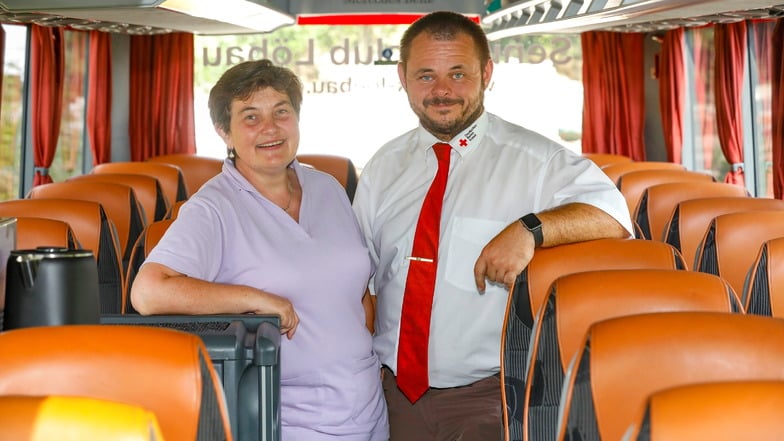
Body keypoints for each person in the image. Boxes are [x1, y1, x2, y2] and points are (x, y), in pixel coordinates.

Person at [352, 11, 633, 441]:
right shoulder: (382, 167)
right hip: (391, 395)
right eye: (425, 76)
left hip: (486, 399)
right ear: (402, 77)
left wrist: (529, 229)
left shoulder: (536, 161)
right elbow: (361, 282)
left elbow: (613, 214)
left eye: (458, 73)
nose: (442, 91)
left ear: (486, 73)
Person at [131, 59, 389, 441]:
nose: (270, 128)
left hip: (367, 405)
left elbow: (359, 294)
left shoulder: (328, 188)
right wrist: (255, 299)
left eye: (281, 112)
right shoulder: (213, 208)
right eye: (250, 117)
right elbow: (148, 293)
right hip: (289, 417)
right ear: (225, 132)